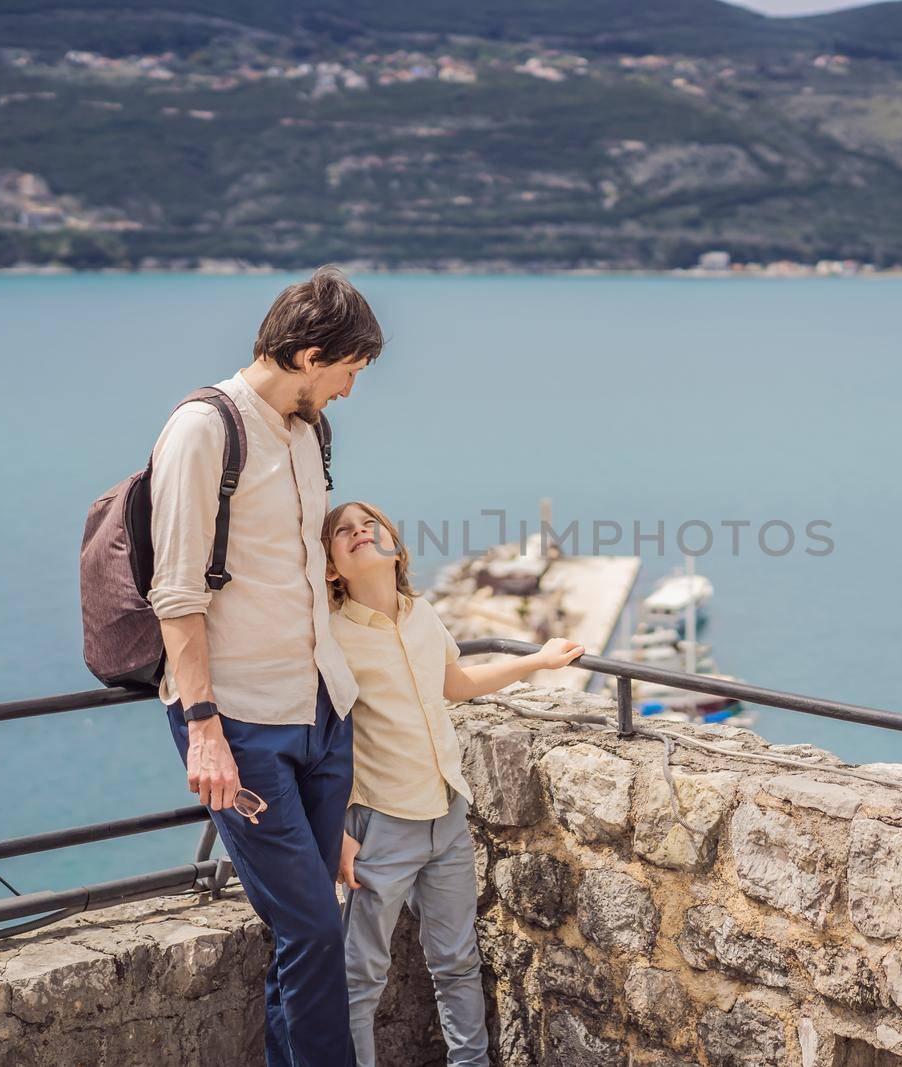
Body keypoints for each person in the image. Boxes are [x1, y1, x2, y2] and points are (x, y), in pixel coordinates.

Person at [148, 266, 383, 1067]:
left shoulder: (310, 429)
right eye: (349, 372)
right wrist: (203, 729)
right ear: (312, 354)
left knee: (312, 931)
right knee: (314, 926)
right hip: (241, 722)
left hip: (320, 713)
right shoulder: (204, 428)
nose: (351, 390)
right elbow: (175, 593)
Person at [322, 500, 584, 1067]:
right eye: (344, 531)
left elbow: (456, 683)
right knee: (359, 983)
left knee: (458, 963)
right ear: (331, 568)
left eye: (370, 524)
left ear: (394, 543)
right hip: (379, 826)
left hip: (447, 817)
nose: (361, 532)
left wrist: (537, 661)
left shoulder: (422, 613)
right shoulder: (330, 637)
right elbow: (317, 738)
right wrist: (336, 828)